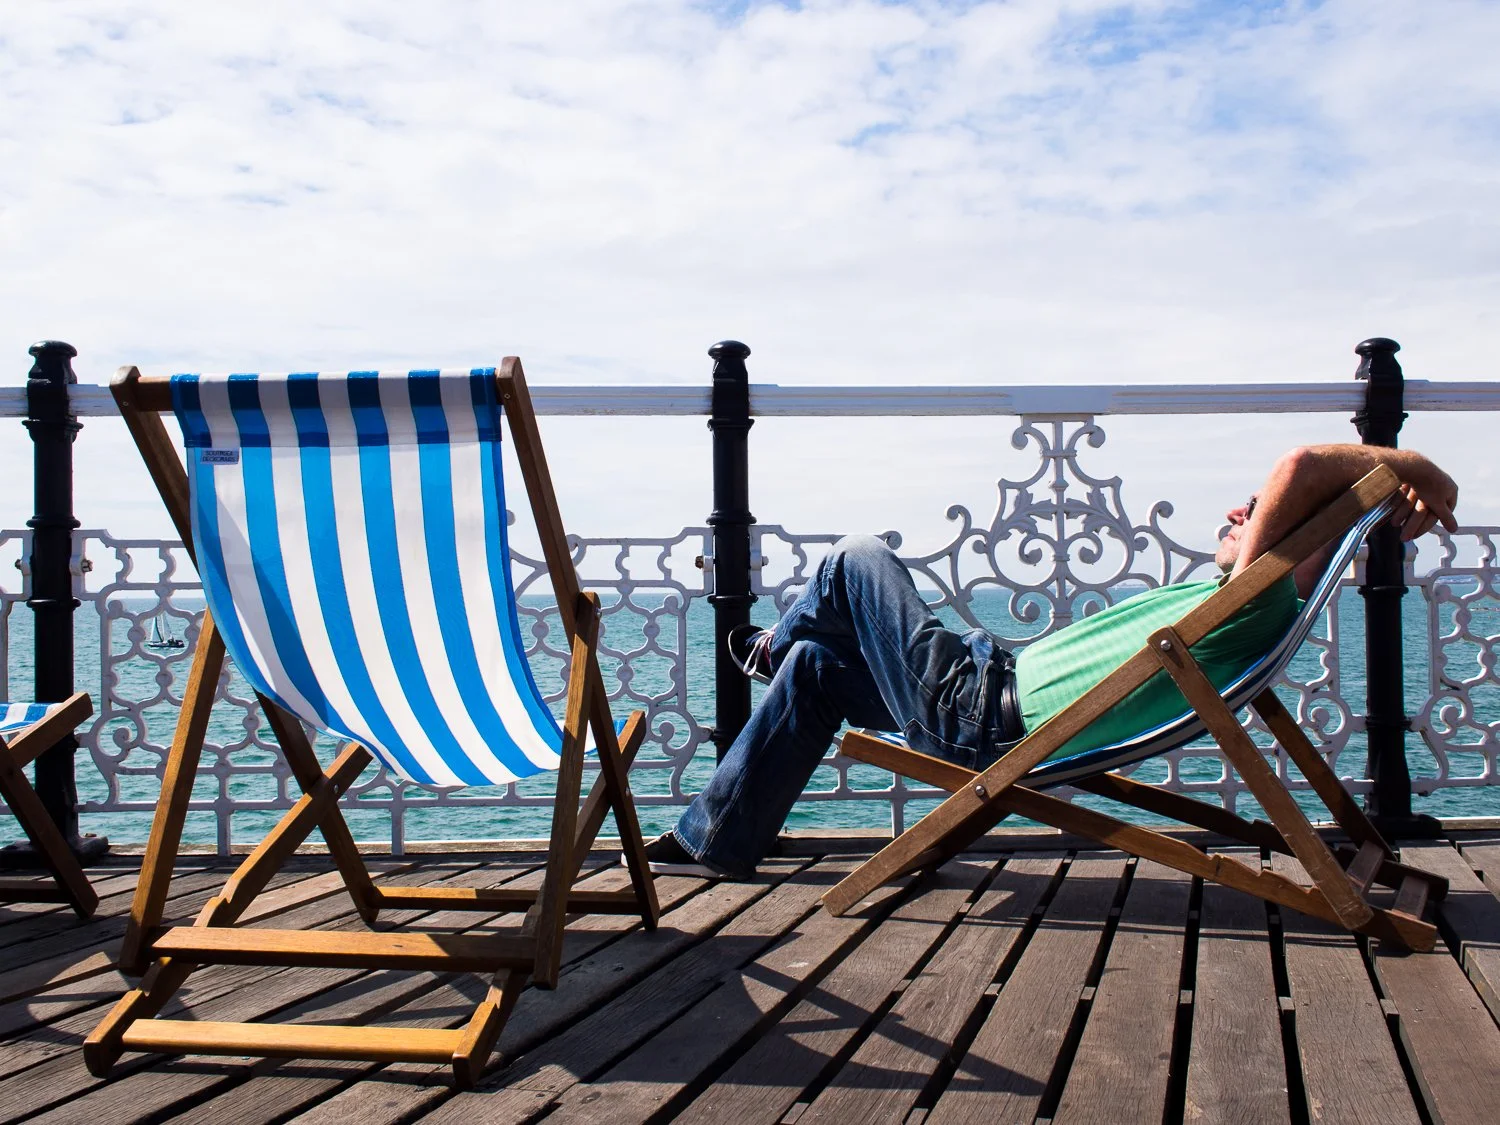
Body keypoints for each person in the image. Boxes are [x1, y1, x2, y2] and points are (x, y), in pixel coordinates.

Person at [639, 444, 1459, 879]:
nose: (1238, 509)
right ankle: (718, 836)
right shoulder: (1244, 604)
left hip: (979, 714)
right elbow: (1300, 483)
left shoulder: (1260, 598)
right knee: (818, 667)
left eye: (1253, 514)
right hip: (981, 685)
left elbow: (1301, 469)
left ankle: (764, 645)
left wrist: (1413, 468)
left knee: (855, 557)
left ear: (1288, 541)